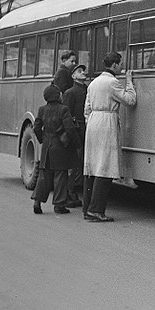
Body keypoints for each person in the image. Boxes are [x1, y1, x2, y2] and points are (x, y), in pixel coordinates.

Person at [82, 51, 136, 222]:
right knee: (104, 167)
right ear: (114, 65)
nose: (121, 67)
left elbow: (86, 109)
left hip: (93, 122)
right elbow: (130, 100)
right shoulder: (112, 82)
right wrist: (129, 82)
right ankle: (96, 210)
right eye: (120, 64)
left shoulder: (93, 83)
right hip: (107, 122)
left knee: (92, 166)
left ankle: (87, 209)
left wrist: (91, 122)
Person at [31, 84, 79, 215]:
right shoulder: (64, 109)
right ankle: (59, 205)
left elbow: (36, 128)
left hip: (47, 147)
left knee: (44, 176)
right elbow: (69, 128)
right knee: (60, 176)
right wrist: (76, 143)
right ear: (58, 96)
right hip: (60, 148)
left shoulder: (42, 109)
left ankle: (37, 202)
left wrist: (43, 140)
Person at [62, 63, 89, 207]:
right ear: (73, 76)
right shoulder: (70, 93)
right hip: (76, 131)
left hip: (86, 130)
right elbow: (66, 116)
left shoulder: (87, 89)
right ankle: (69, 194)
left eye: (83, 70)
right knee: (73, 164)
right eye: (79, 71)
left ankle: (74, 192)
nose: (83, 73)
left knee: (81, 163)